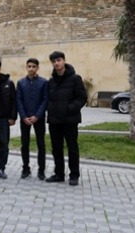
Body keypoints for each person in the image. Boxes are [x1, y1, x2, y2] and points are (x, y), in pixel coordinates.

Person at [46, 51, 87, 186]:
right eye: (54, 61)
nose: (56, 63)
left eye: (58, 60)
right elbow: (47, 99)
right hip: (54, 121)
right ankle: (59, 174)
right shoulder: (51, 81)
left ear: (64, 61)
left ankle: (74, 175)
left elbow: (82, 98)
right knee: (56, 148)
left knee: (72, 148)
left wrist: (69, 109)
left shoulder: (75, 78)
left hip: (70, 120)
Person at [16, 58, 49, 180]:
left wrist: (37, 116)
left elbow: (45, 100)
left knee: (41, 144)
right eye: (29, 66)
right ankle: (25, 168)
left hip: (38, 118)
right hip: (25, 118)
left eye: (34, 66)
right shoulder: (21, 83)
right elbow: (18, 100)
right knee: (25, 144)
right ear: (26, 67)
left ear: (37, 68)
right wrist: (23, 116)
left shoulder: (43, 82)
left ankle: (41, 170)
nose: (31, 68)